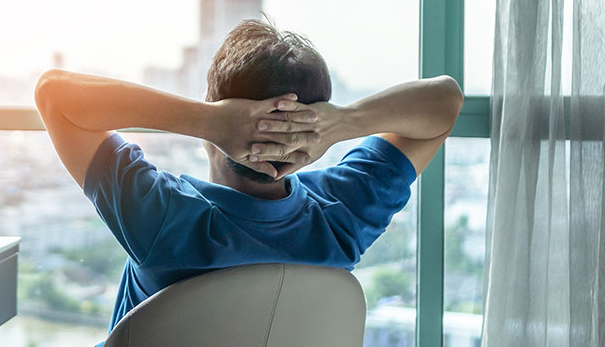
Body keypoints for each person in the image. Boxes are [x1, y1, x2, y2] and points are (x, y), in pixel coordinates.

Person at [34, 19, 463, 338]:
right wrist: (343, 123)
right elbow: (446, 100)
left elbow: (54, 94)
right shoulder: (340, 216)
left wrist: (207, 120)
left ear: (214, 108)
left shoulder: (163, 218)